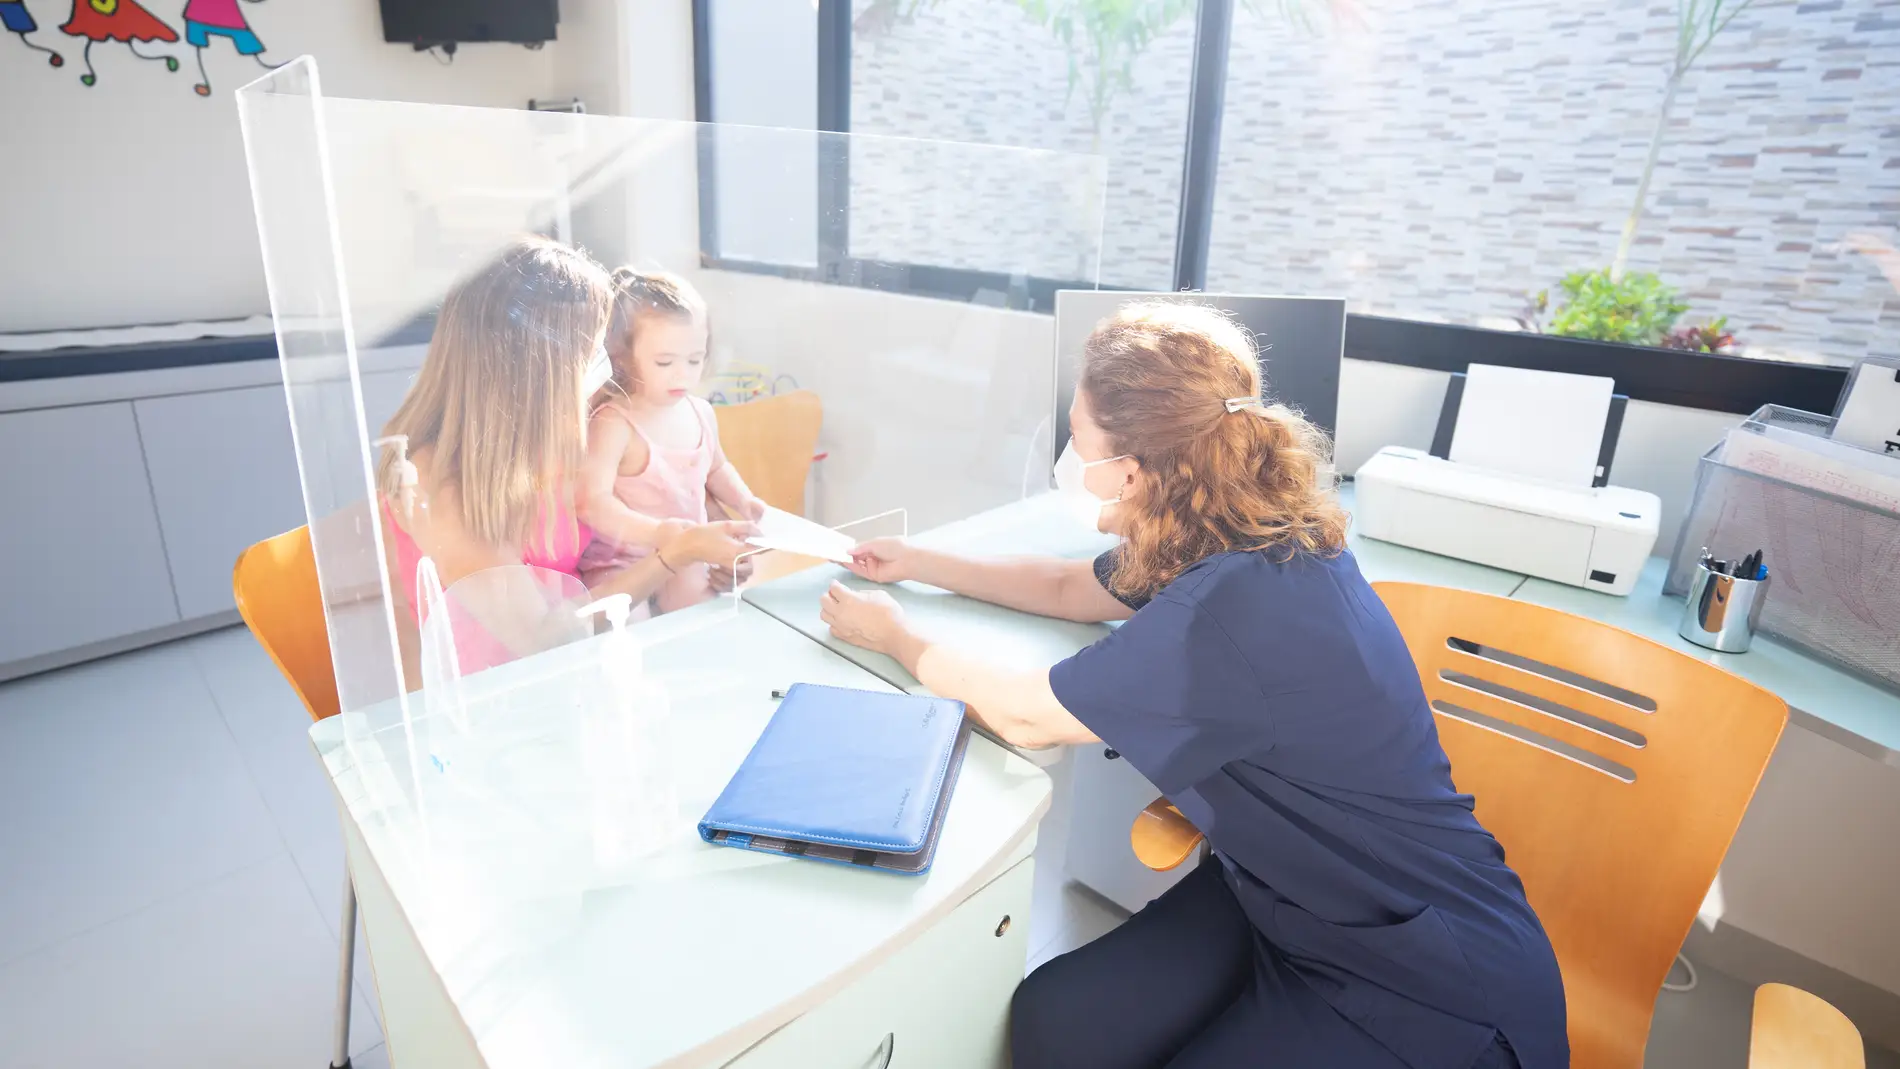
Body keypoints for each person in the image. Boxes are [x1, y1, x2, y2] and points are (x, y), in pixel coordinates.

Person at [819, 303, 1567, 1069]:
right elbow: (1068, 586)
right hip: (1281, 897)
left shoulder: (1234, 606)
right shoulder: (1226, 525)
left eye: (1079, 439)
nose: (1069, 455)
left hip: (1427, 986)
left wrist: (896, 636)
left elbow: (1026, 715)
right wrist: (920, 562)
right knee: (1057, 1022)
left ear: (1136, 470)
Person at [375, 238, 754, 682]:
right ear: (538, 366)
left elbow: (641, 511)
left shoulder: (545, 439)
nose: (607, 369)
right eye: (593, 352)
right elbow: (541, 636)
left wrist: (710, 548)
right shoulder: (437, 483)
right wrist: (671, 557)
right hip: (502, 700)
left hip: (580, 672)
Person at [576, 268, 766, 618]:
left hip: (689, 553)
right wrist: (659, 533)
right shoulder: (615, 422)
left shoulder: (701, 413)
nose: (683, 374)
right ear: (622, 357)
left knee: (702, 617)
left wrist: (744, 500)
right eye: (665, 362)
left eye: (695, 359)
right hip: (622, 562)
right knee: (626, 626)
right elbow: (592, 503)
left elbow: (718, 468)